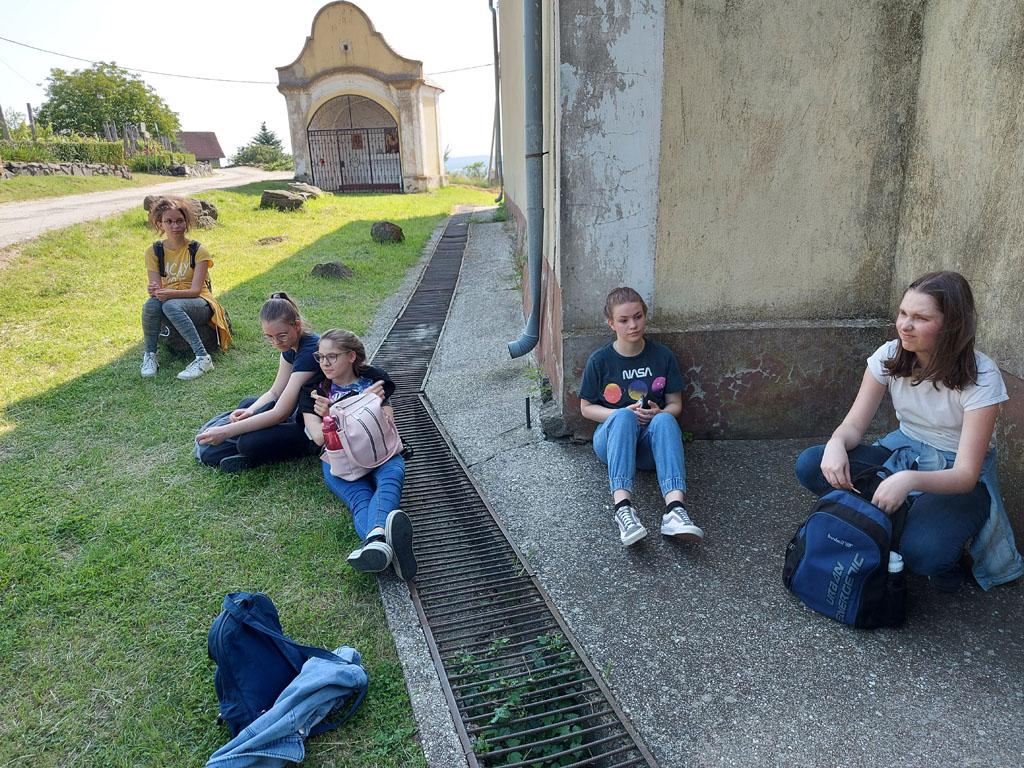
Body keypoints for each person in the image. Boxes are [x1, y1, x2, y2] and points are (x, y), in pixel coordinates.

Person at [795, 271, 1023, 592]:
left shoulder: (982, 376)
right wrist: (836, 443)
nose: (905, 325)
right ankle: (896, 521)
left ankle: (922, 537)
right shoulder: (890, 355)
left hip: (955, 473)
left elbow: (965, 475)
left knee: (923, 554)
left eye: (921, 318)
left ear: (951, 326)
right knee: (811, 463)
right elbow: (854, 426)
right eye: (903, 313)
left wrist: (907, 481)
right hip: (904, 450)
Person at [579, 287, 703, 547]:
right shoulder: (600, 360)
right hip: (612, 441)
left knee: (666, 420)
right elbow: (586, 408)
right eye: (623, 320)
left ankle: (675, 510)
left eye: (638, 317)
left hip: (648, 448)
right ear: (611, 323)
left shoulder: (662, 356)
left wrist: (659, 412)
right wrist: (620, 413)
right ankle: (623, 510)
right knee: (624, 418)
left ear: (645, 315)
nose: (633, 325)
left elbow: (675, 404)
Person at [303, 329, 415, 579]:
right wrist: (360, 404)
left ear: (351, 356)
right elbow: (319, 437)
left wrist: (337, 412)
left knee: (390, 479)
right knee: (360, 499)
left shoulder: (374, 380)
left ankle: (377, 544)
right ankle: (386, 544)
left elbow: (387, 421)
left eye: (332, 356)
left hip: (381, 449)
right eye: (320, 357)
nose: (325, 363)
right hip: (338, 460)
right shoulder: (314, 391)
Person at [196, 292, 323, 472]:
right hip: (295, 411)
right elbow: (275, 392)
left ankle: (259, 452)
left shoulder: (309, 351)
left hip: (310, 427)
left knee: (249, 442)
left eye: (281, 335)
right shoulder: (290, 345)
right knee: (247, 404)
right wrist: (251, 411)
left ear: (297, 325)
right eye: (269, 337)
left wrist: (227, 431)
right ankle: (250, 445)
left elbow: (280, 413)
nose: (276, 342)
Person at [141, 196, 231, 380]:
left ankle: (203, 358)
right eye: (169, 221)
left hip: (200, 302)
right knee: (151, 305)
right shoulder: (154, 251)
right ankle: (150, 354)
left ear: (187, 222)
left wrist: (170, 294)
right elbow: (157, 288)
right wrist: (154, 290)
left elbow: (196, 290)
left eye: (179, 221)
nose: (175, 226)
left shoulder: (198, 250)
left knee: (170, 305)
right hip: (172, 300)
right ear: (160, 224)